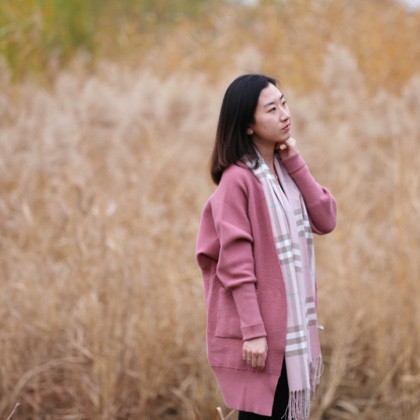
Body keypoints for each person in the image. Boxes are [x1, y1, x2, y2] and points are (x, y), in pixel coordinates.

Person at [195, 74, 337, 419]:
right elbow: (235, 264)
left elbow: (326, 218)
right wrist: (253, 332)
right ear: (248, 126)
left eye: (283, 103)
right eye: (272, 109)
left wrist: (296, 162)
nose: (285, 114)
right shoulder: (237, 181)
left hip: (290, 332)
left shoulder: (285, 174)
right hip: (261, 338)